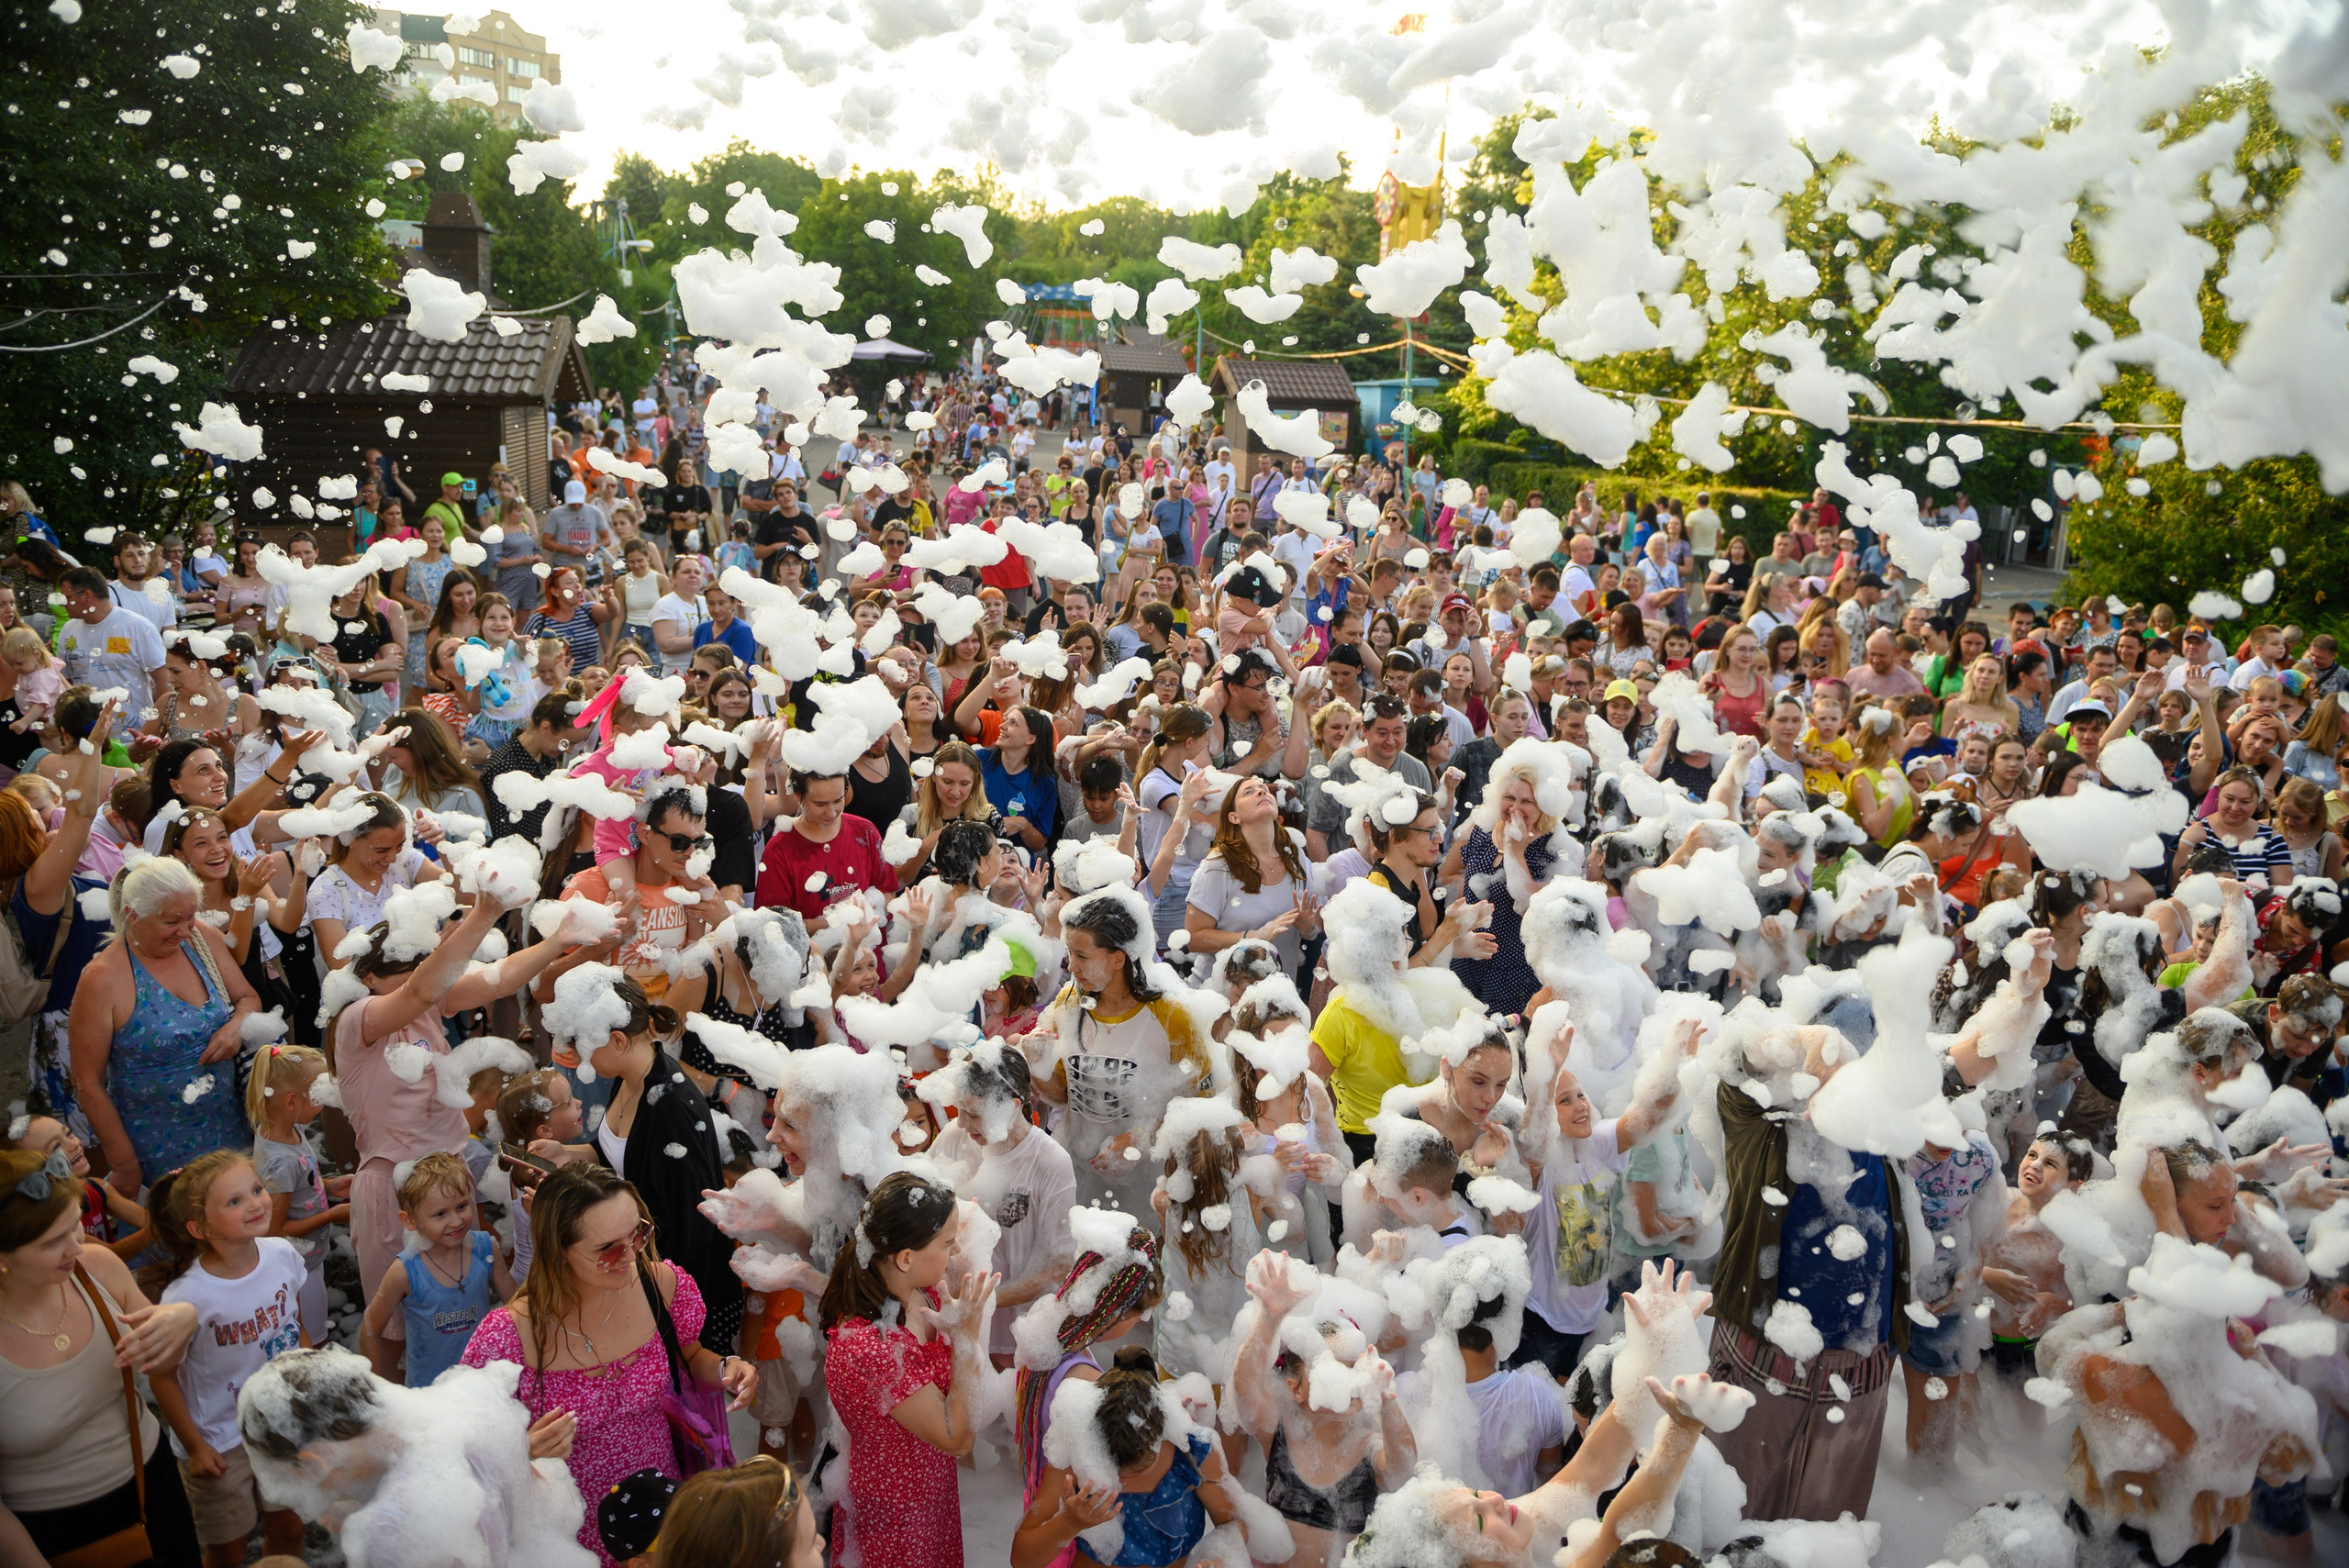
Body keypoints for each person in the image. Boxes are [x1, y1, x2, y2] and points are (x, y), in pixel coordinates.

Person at [460, 1163, 757, 1568]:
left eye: (638, 1233)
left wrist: (726, 1368)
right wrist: (521, 1450)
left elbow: (690, 1356)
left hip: (659, 1517)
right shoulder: (507, 1337)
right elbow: (464, 1450)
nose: (631, 1254)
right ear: (558, 1249)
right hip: (564, 1530)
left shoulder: (660, 1285)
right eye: (608, 1249)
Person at [0, 1145, 205, 1568]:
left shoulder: (96, 1268)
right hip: (51, 1529)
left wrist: (184, 1318)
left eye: (75, 1224)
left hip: (152, 1482)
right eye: (53, 1242)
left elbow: (164, 1365)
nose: (77, 1247)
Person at [533, 965, 746, 1353]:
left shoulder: (672, 1109)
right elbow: (617, 1154)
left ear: (616, 1040)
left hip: (680, 1292)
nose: (579, 1058)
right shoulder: (630, 1076)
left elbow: (689, 1229)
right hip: (640, 1269)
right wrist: (567, 1155)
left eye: (583, 1046)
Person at [139, 1150, 312, 1568]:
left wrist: (312, 1381)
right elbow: (162, 1377)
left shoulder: (282, 1254)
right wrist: (196, 1447)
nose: (255, 1203)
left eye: (256, 1190)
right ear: (200, 1228)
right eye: (235, 1201)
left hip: (280, 1423)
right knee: (227, 1550)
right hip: (218, 1441)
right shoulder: (188, 1296)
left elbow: (294, 1323)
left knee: (290, 1530)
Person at [819, 1172, 996, 1568]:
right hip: (896, 1511)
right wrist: (966, 1338)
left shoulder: (922, 1294)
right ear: (905, 1258)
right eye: (947, 1243)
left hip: (930, 1491)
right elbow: (956, 1439)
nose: (957, 1250)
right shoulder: (872, 1348)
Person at [67, 856, 261, 1195]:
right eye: (172, 921)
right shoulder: (101, 979)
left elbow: (248, 998)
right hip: (157, 1149)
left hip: (231, 1130)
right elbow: (88, 1083)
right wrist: (124, 1163)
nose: (185, 930)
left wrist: (236, 1027)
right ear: (132, 915)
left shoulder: (200, 938)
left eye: (191, 916)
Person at [359, 1151, 512, 1387]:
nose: (456, 1221)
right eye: (440, 1214)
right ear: (410, 1221)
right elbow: (370, 1329)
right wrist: (375, 1390)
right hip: (428, 1392)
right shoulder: (405, 1271)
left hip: (481, 1386)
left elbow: (517, 1308)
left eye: (461, 1206)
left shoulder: (485, 1250)